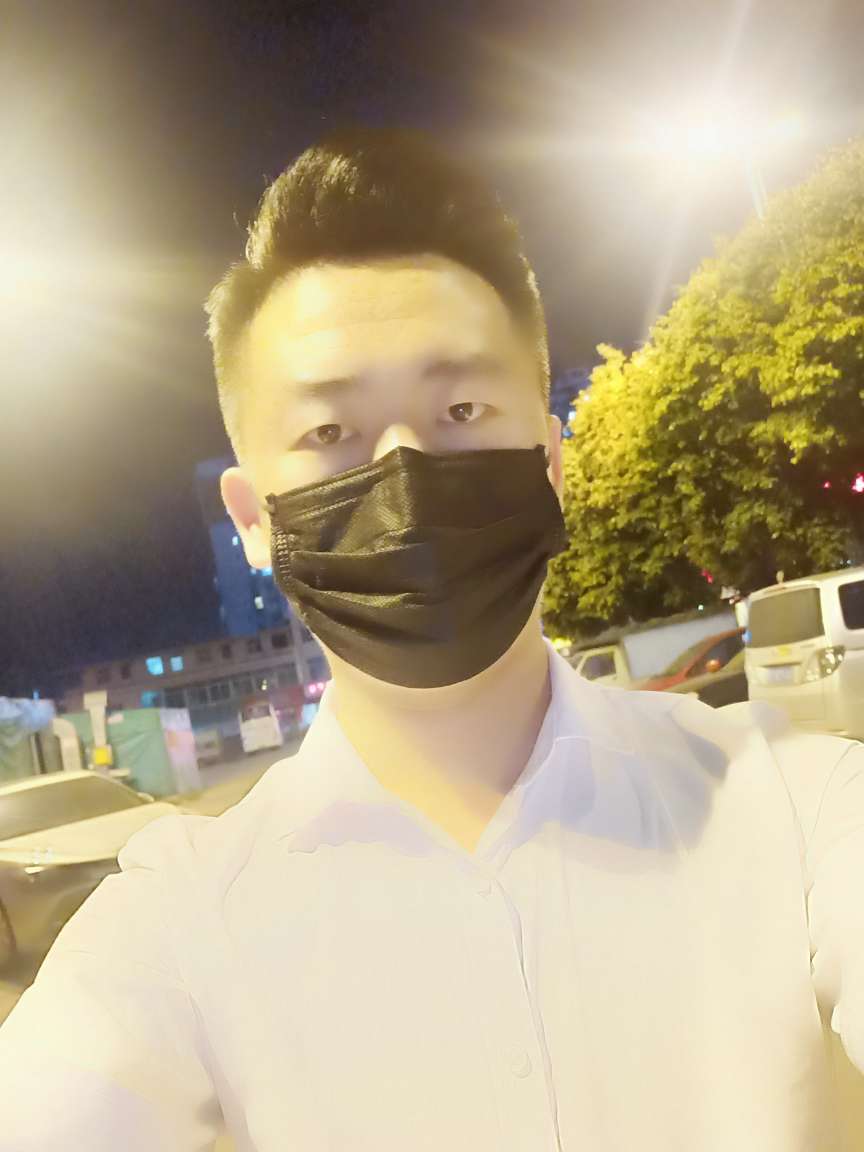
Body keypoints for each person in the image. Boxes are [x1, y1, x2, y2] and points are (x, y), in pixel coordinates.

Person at [1, 128, 863, 1152]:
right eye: (330, 432)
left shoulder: (796, 808)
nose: (405, 468)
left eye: (460, 406)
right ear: (253, 519)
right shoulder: (178, 922)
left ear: (550, 465)